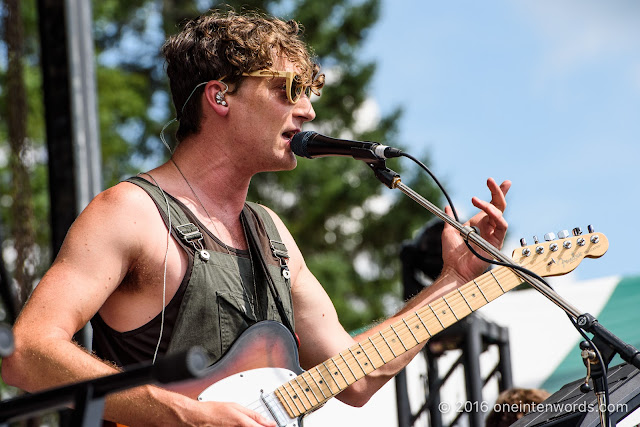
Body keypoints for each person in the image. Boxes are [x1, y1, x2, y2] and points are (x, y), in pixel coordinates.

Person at [2, 10, 511, 426]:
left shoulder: (271, 233)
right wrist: (187, 415)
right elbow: (26, 351)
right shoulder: (131, 212)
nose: (309, 109)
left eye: (311, 89)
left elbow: (354, 378)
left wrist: (456, 281)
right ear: (220, 95)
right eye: (288, 88)